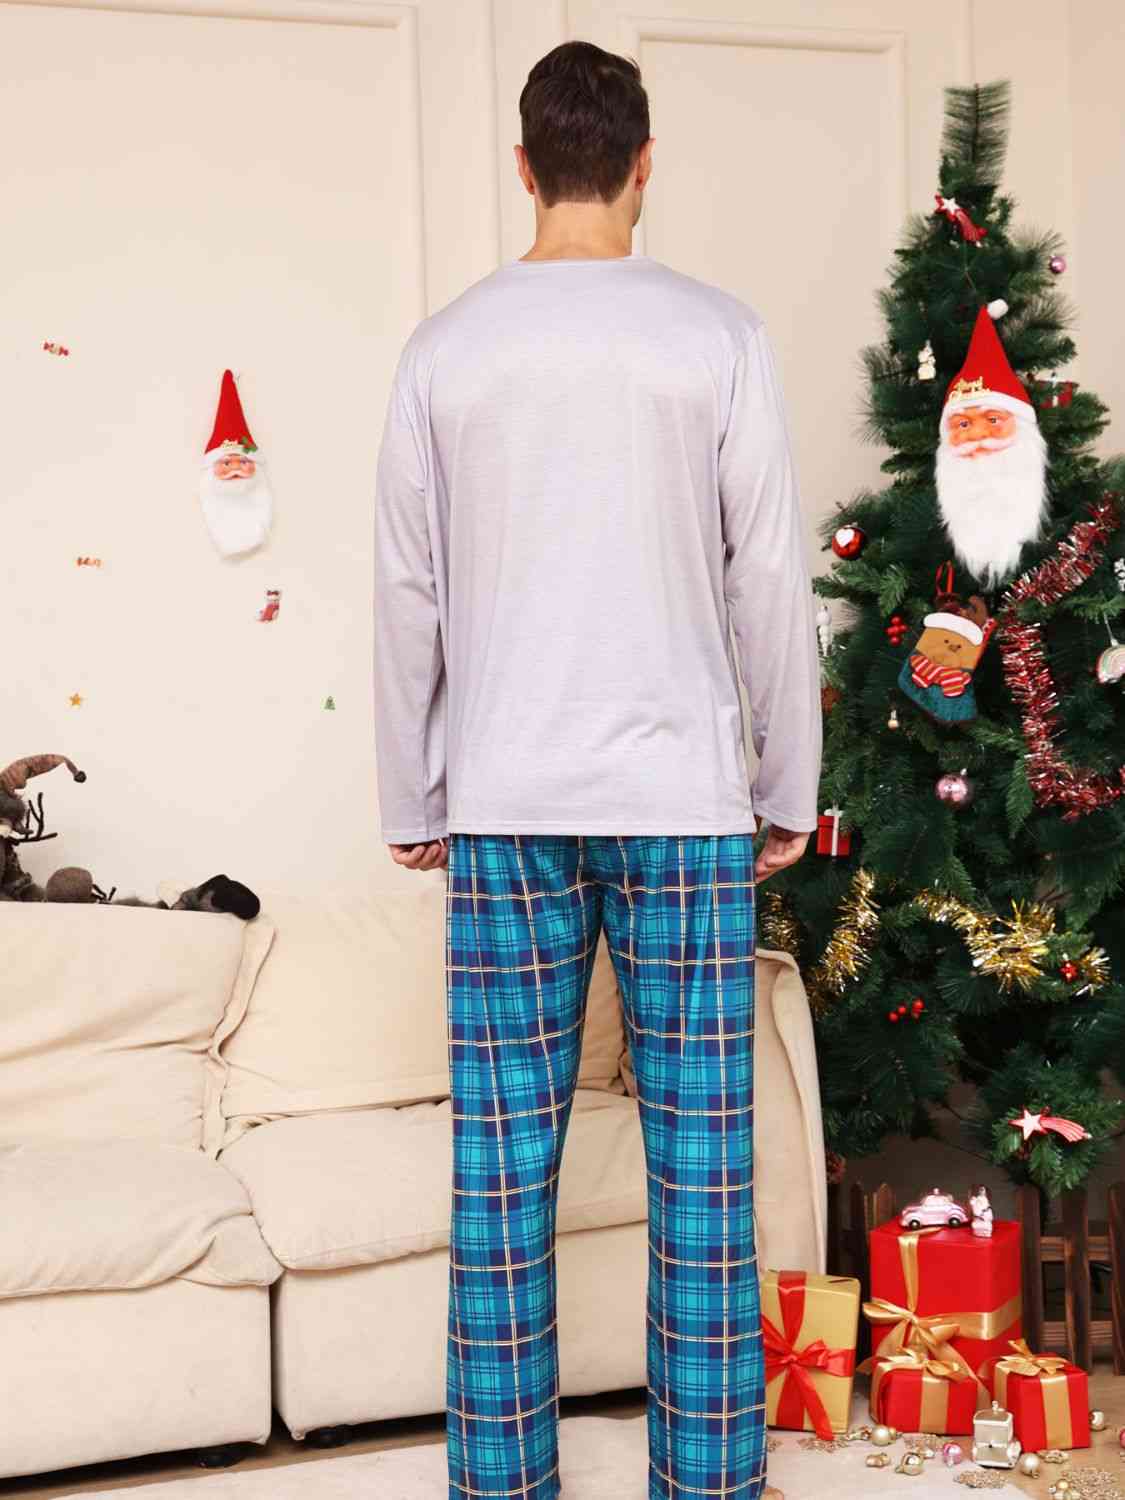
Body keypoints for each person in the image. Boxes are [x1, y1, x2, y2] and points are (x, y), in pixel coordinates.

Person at [372, 39, 820, 1500]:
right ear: (642, 164)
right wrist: (784, 785)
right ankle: (709, 1484)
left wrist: (410, 793)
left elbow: (407, 591)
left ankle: (502, 1485)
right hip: (685, 809)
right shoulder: (718, 336)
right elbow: (768, 581)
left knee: (502, 1181)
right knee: (704, 1181)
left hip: (505, 807)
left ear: (523, 166)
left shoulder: (445, 350)